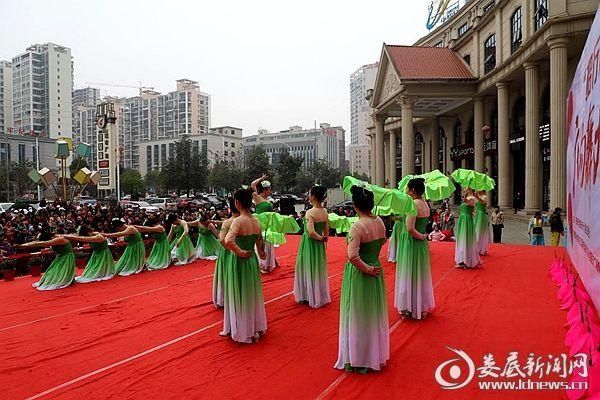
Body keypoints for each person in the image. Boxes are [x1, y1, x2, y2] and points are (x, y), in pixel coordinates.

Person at [334, 185, 389, 373]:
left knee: (356, 313)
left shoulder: (357, 226)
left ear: (355, 206)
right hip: (376, 269)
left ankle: (358, 356)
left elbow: (352, 256)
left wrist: (366, 268)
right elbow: (383, 240)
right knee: (372, 313)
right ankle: (374, 354)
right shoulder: (380, 222)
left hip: (360, 273)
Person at [222, 187, 267, 343]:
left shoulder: (238, 221)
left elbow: (227, 240)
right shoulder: (256, 221)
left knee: (238, 293)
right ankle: (253, 327)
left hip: (239, 261)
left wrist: (240, 252)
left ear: (237, 203)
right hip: (252, 260)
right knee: (251, 293)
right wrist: (261, 253)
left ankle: (241, 328)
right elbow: (260, 241)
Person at [395, 178, 434, 320]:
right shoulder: (425, 204)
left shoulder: (413, 204)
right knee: (419, 274)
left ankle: (410, 307)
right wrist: (423, 236)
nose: (406, 191)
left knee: (409, 273)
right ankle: (420, 306)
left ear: (412, 190)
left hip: (411, 242)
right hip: (420, 243)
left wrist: (421, 236)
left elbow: (410, 228)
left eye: (407, 189)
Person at [293, 185, 330, 308]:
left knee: (306, 267)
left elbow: (311, 232)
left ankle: (307, 295)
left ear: (313, 197)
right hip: (319, 245)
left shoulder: (310, 212)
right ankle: (317, 295)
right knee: (317, 268)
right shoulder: (324, 212)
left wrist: (319, 238)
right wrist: (323, 239)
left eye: (309, 194)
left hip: (309, 244)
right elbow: (326, 231)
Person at [20, 226, 76, 291]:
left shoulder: (61, 239)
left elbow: (41, 243)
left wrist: (24, 245)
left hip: (66, 256)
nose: (53, 231)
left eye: (55, 230)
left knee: (61, 269)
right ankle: (68, 279)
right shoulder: (56, 239)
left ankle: (67, 279)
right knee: (57, 269)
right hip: (61, 256)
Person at [211, 198, 239, 308]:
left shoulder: (228, 222)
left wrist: (230, 249)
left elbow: (222, 240)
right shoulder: (247, 220)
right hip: (236, 249)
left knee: (225, 274)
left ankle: (224, 297)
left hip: (228, 250)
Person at [251, 174, 277, 273]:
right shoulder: (257, 198)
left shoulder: (268, 200)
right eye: (269, 189)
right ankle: (262, 263)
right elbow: (253, 184)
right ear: (265, 190)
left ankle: (269, 262)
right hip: (259, 224)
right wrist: (261, 179)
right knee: (261, 243)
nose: (271, 191)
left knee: (268, 243)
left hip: (268, 224)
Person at [454, 188, 481, 269]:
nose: (465, 190)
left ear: (470, 190)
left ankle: (466, 260)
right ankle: (461, 260)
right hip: (462, 220)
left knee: (466, 239)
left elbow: (471, 206)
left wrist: (466, 198)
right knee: (461, 240)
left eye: (467, 189)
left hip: (467, 220)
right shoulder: (466, 198)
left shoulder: (472, 199)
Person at [474, 191, 491, 256]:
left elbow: (483, 202)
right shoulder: (476, 197)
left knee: (480, 232)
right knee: (475, 231)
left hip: (481, 215)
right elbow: (475, 206)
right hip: (477, 214)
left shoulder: (485, 197)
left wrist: (477, 197)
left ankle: (481, 249)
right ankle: (476, 248)